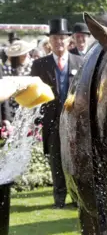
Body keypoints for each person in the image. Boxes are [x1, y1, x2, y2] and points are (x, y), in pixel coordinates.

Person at [30, 18, 83, 208]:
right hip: (52, 121)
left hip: (75, 120)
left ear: (69, 41)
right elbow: (33, 93)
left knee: (77, 158)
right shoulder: (39, 65)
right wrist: (35, 119)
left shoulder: (80, 61)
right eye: (55, 38)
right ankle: (59, 199)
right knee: (56, 159)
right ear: (49, 42)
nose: (59, 42)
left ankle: (78, 198)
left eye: (62, 38)